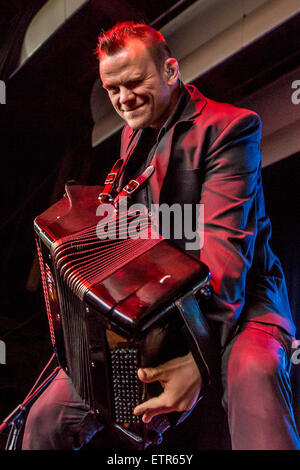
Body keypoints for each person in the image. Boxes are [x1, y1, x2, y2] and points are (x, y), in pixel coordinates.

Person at [22, 21, 300, 450]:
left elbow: (226, 252)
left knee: (254, 372)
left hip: (238, 304)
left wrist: (199, 359)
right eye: (112, 90)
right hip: (158, 314)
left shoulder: (231, 128)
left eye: (134, 82)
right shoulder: (133, 135)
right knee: (45, 419)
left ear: (170, 71)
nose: (123, 99)